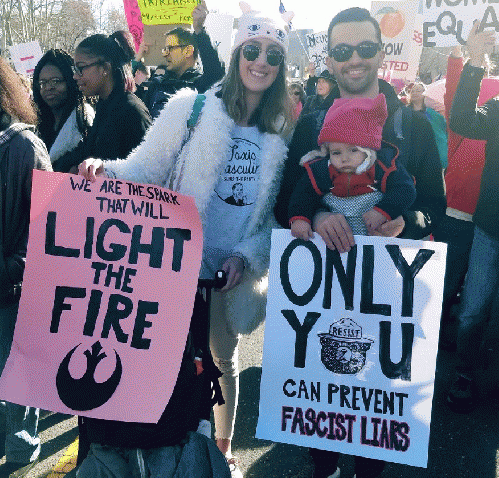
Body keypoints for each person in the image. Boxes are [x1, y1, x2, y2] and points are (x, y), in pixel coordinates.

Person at [78, 5, 291, 478]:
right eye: (252, 49)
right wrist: (103, 170)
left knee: (223, 360)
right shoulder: (191, 107)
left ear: (281, 68)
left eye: (273, 55)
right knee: (169, 361)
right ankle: (170, 453)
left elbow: (272, 213)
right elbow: (143, 170)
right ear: (236, 52)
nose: (261, 61)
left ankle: (223, 450)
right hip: (171, 263)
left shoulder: (280, 131)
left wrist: (247, 256)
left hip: (226, 271)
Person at [273, 7, 445, 478]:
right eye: (343, 50)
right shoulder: (310, 125)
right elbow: (285, 202)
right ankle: (323, 464)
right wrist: (319, 212)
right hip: (323, 295)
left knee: (376, 421)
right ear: (329, 57)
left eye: (365, 48)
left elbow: (433, 203)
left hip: (389, 293)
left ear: (380, 51)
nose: (354, 59)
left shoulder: (413, 122)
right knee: (322, 407)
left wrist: (402, 220)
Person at [0, 57, 52, 478]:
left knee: (18, 376)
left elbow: (48, 231)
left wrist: (8, 270)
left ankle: (21, 441)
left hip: (12, 292)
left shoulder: (23, 147)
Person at [446, 21, 498, 413]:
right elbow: (461, 119)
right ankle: (464, 371)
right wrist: (476, 63)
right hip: (490, 229)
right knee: (474, 309)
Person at [432, 44, 495, 351]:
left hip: (485, 225)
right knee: (449, 285)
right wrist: (460, 57)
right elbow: (455, 96)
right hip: (459, 220)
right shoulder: (467, 127)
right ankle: (434, 337)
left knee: (478, 298)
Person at [289, 94, 416, 241]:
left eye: (353, 150)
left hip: (373, 237)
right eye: (336, 152)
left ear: (369, 150)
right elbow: (303, 194)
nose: (344, 158)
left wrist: (383, 211)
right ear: (327, 152)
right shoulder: (322, 170)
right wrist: (300, 218)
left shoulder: (383, 167)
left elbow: (405, 190)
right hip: (333, 240)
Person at [51, 30, 151, 174]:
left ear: (105, 68)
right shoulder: (105, 104)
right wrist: (57, 166)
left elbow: (144, 173)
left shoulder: (132, 111)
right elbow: (87, 149)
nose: (74, 76)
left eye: (80, 68)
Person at [144, 0, 225, 118]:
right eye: (164, 49)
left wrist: (199, 29)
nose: (165, 54)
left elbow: (216, 72)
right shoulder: (157, 85)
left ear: (188, 51)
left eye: (170, 49)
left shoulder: (202, 86)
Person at [33, 49, 94, 165]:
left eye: (55, 81)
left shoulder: (84, 119)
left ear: (70, 81)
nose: (49, 87)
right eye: (42, 83)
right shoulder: (38, 124)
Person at [406, 82, 448, 169]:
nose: (414, 93)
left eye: (418, 91)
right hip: (411, 155)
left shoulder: (433, 114)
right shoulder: (404, 111)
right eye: (412, 91)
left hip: (432, 156)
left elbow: (442, 134)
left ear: (425, 94)